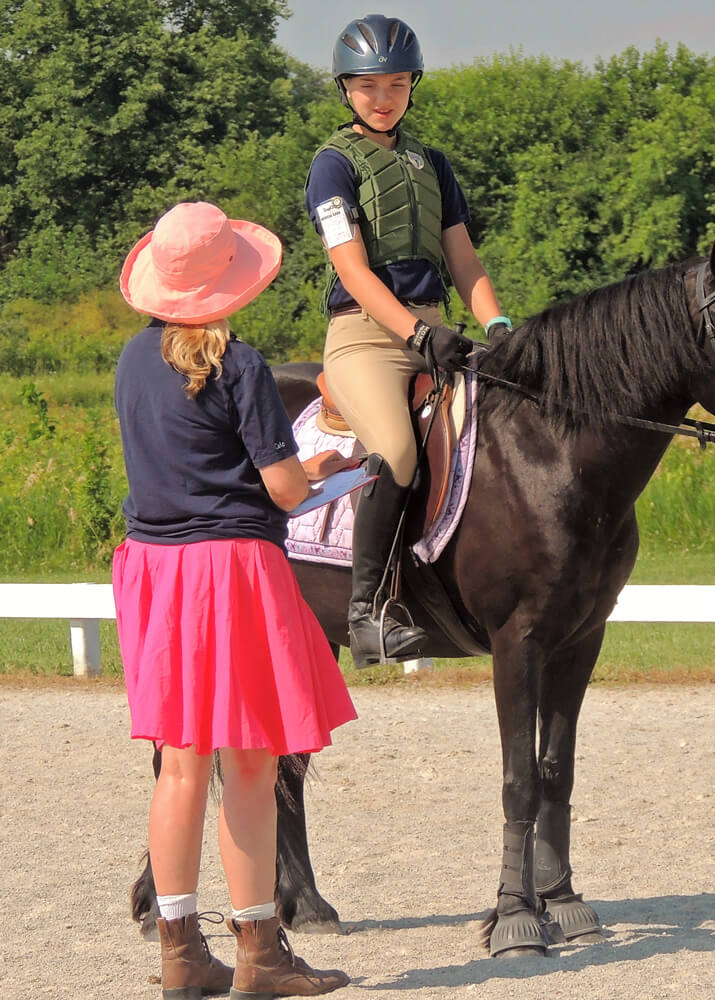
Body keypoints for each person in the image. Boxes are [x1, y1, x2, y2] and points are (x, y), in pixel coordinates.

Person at [114, 201, 355, 999]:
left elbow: (183, 467)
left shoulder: (130, 361)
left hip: (157, 573)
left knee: (180, 768)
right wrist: (317, 471)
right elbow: (283, 490)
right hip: (231, 573)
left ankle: (180, 952)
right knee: (249, 764)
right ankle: (260, 952)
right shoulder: (241, 366)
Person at [304, 13, 512, 667]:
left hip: (436, 331)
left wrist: (499, 327)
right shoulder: (332, 166)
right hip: (366, 339)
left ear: (412, 86)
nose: (383, 97)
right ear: (346, 89)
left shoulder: (433, 164)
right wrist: (416, 332)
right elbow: (352, 271)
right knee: (395, 448)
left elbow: (464, 261)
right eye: (369, 85)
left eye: (396, 83)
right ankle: (367, 612)